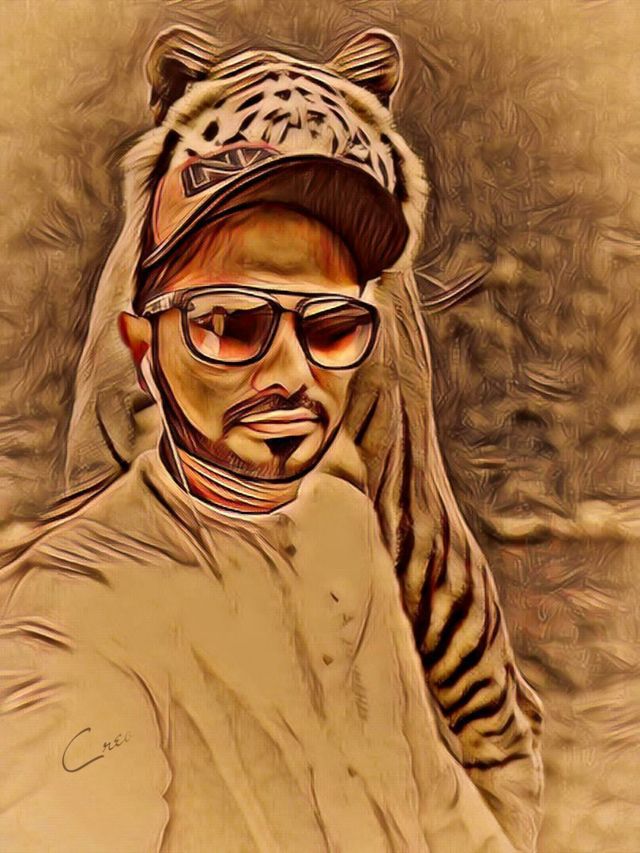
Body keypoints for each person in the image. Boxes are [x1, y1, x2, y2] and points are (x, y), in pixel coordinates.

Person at [0, 27, 542, 852]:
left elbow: (441, 804)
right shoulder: (67, 618)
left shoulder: (346, 528)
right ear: (142, 344)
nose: (291, 371)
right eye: (231, 322)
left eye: (331, 323)